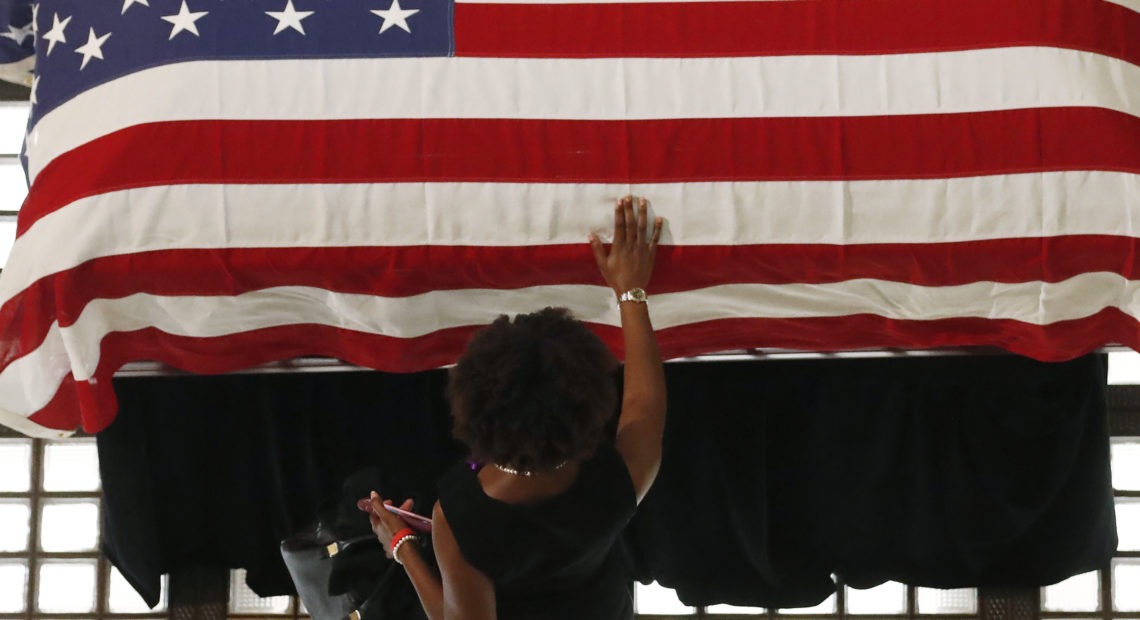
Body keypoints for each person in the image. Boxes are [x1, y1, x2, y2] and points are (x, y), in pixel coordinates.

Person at [368, 195, 666, 619]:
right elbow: (643, 402)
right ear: (592, 409)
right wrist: (630, 288)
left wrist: (403, 548)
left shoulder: (458, 516)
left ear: (473, 411)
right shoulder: (618, 480)